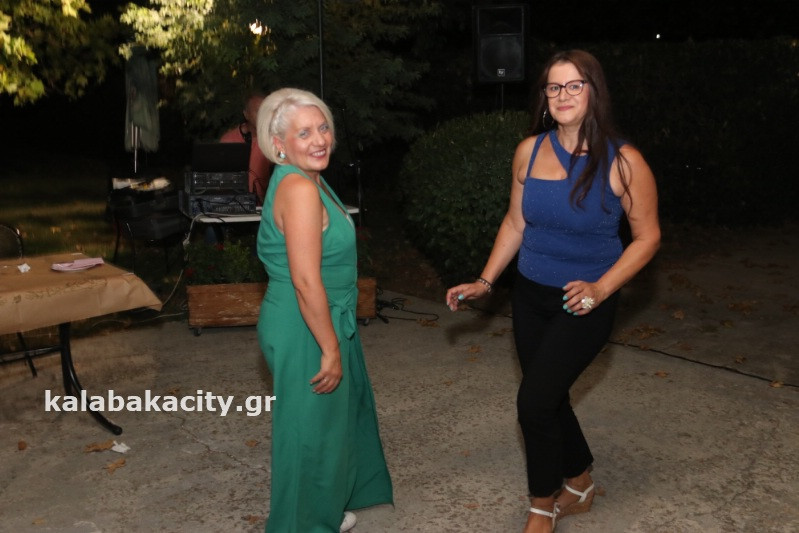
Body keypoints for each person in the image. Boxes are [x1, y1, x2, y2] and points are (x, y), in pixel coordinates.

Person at [446, 50, 660, 533]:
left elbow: (647, 238)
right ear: (544, 96)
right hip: (530, 295)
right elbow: (515, 222)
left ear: (594, 92)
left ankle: (542, 505)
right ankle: (579, 480)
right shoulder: (529, 151)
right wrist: (485, 281)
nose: (563, 95)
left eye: (574, 85)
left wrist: (601, 288)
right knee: (549, 394)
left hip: (585, 301)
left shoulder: (623, 161)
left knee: (533, 402)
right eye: (554, 87)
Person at [254, 87, 393, 532]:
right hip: (306, 324)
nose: (319, 140)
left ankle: (324, 511)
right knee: (308, 435)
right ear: (279, 144)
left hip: (319, 317)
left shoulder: (307, 177)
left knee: (330, 425)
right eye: (304, 133)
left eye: (323, 128)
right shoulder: (298, 188)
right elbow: (305, 280)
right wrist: (330, 348)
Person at [220, 91, 273, 204]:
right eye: (258, 111)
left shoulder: (274, 140)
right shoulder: (229, 140)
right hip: (234, 204)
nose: (263, 116)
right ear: (246, 114)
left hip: (264, 205)